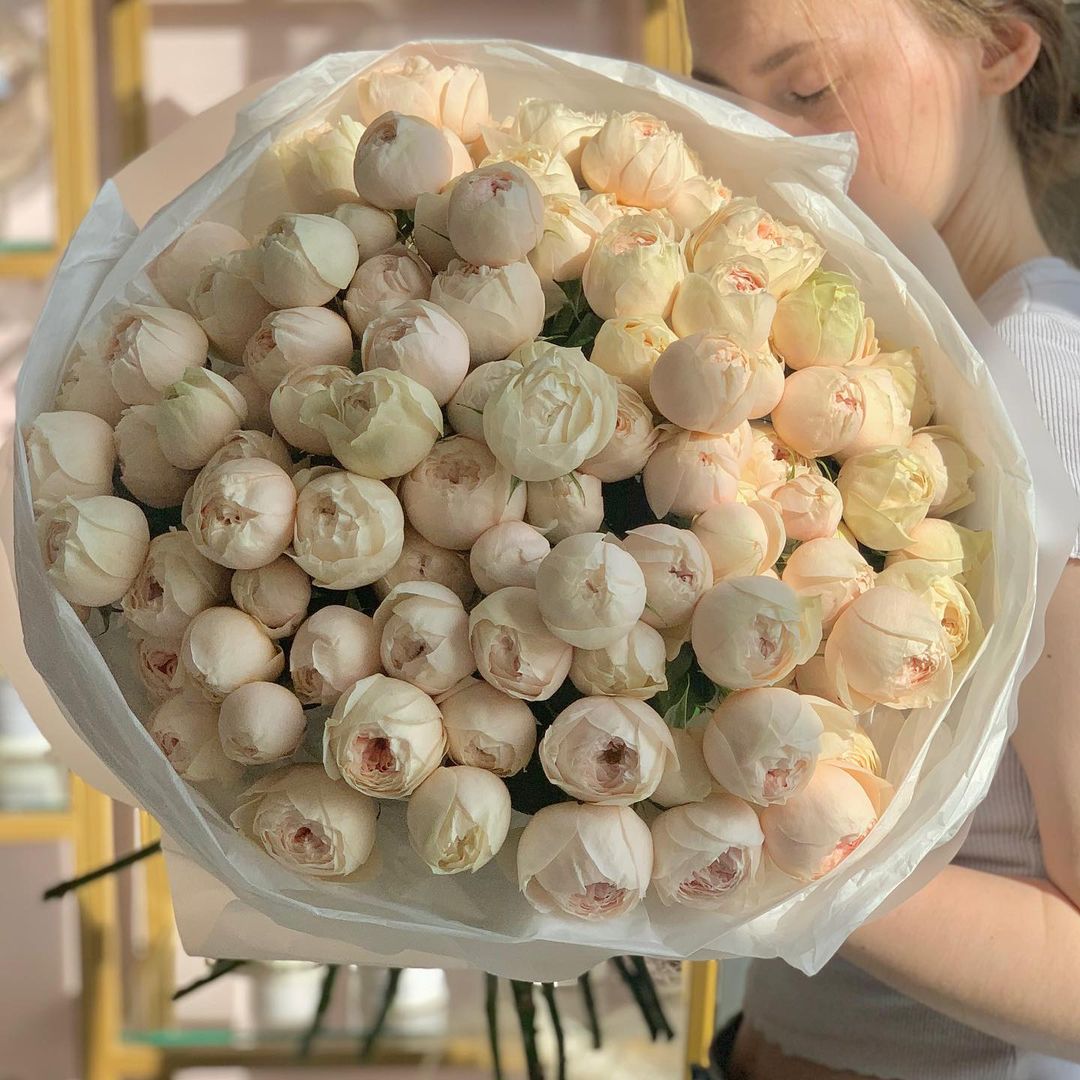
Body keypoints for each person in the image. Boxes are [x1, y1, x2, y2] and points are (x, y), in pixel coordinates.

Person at [684, 1, 1080, 1078]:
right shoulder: (874, 362)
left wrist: (745, 851)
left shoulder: (1040, 380)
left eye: (806, 89)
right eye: (719, 100)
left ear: (998, 44)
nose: (764, 143)